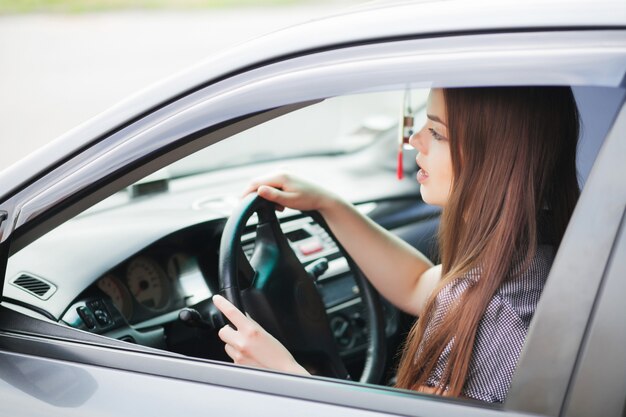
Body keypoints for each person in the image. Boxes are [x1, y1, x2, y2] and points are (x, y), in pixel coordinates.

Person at [212, 86, 580, 403]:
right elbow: (417, 283)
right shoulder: (531, 256)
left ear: (494, 160)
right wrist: (329, 204)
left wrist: (286, 376)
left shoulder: (494, 308)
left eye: (437, 133)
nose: (415, 140)